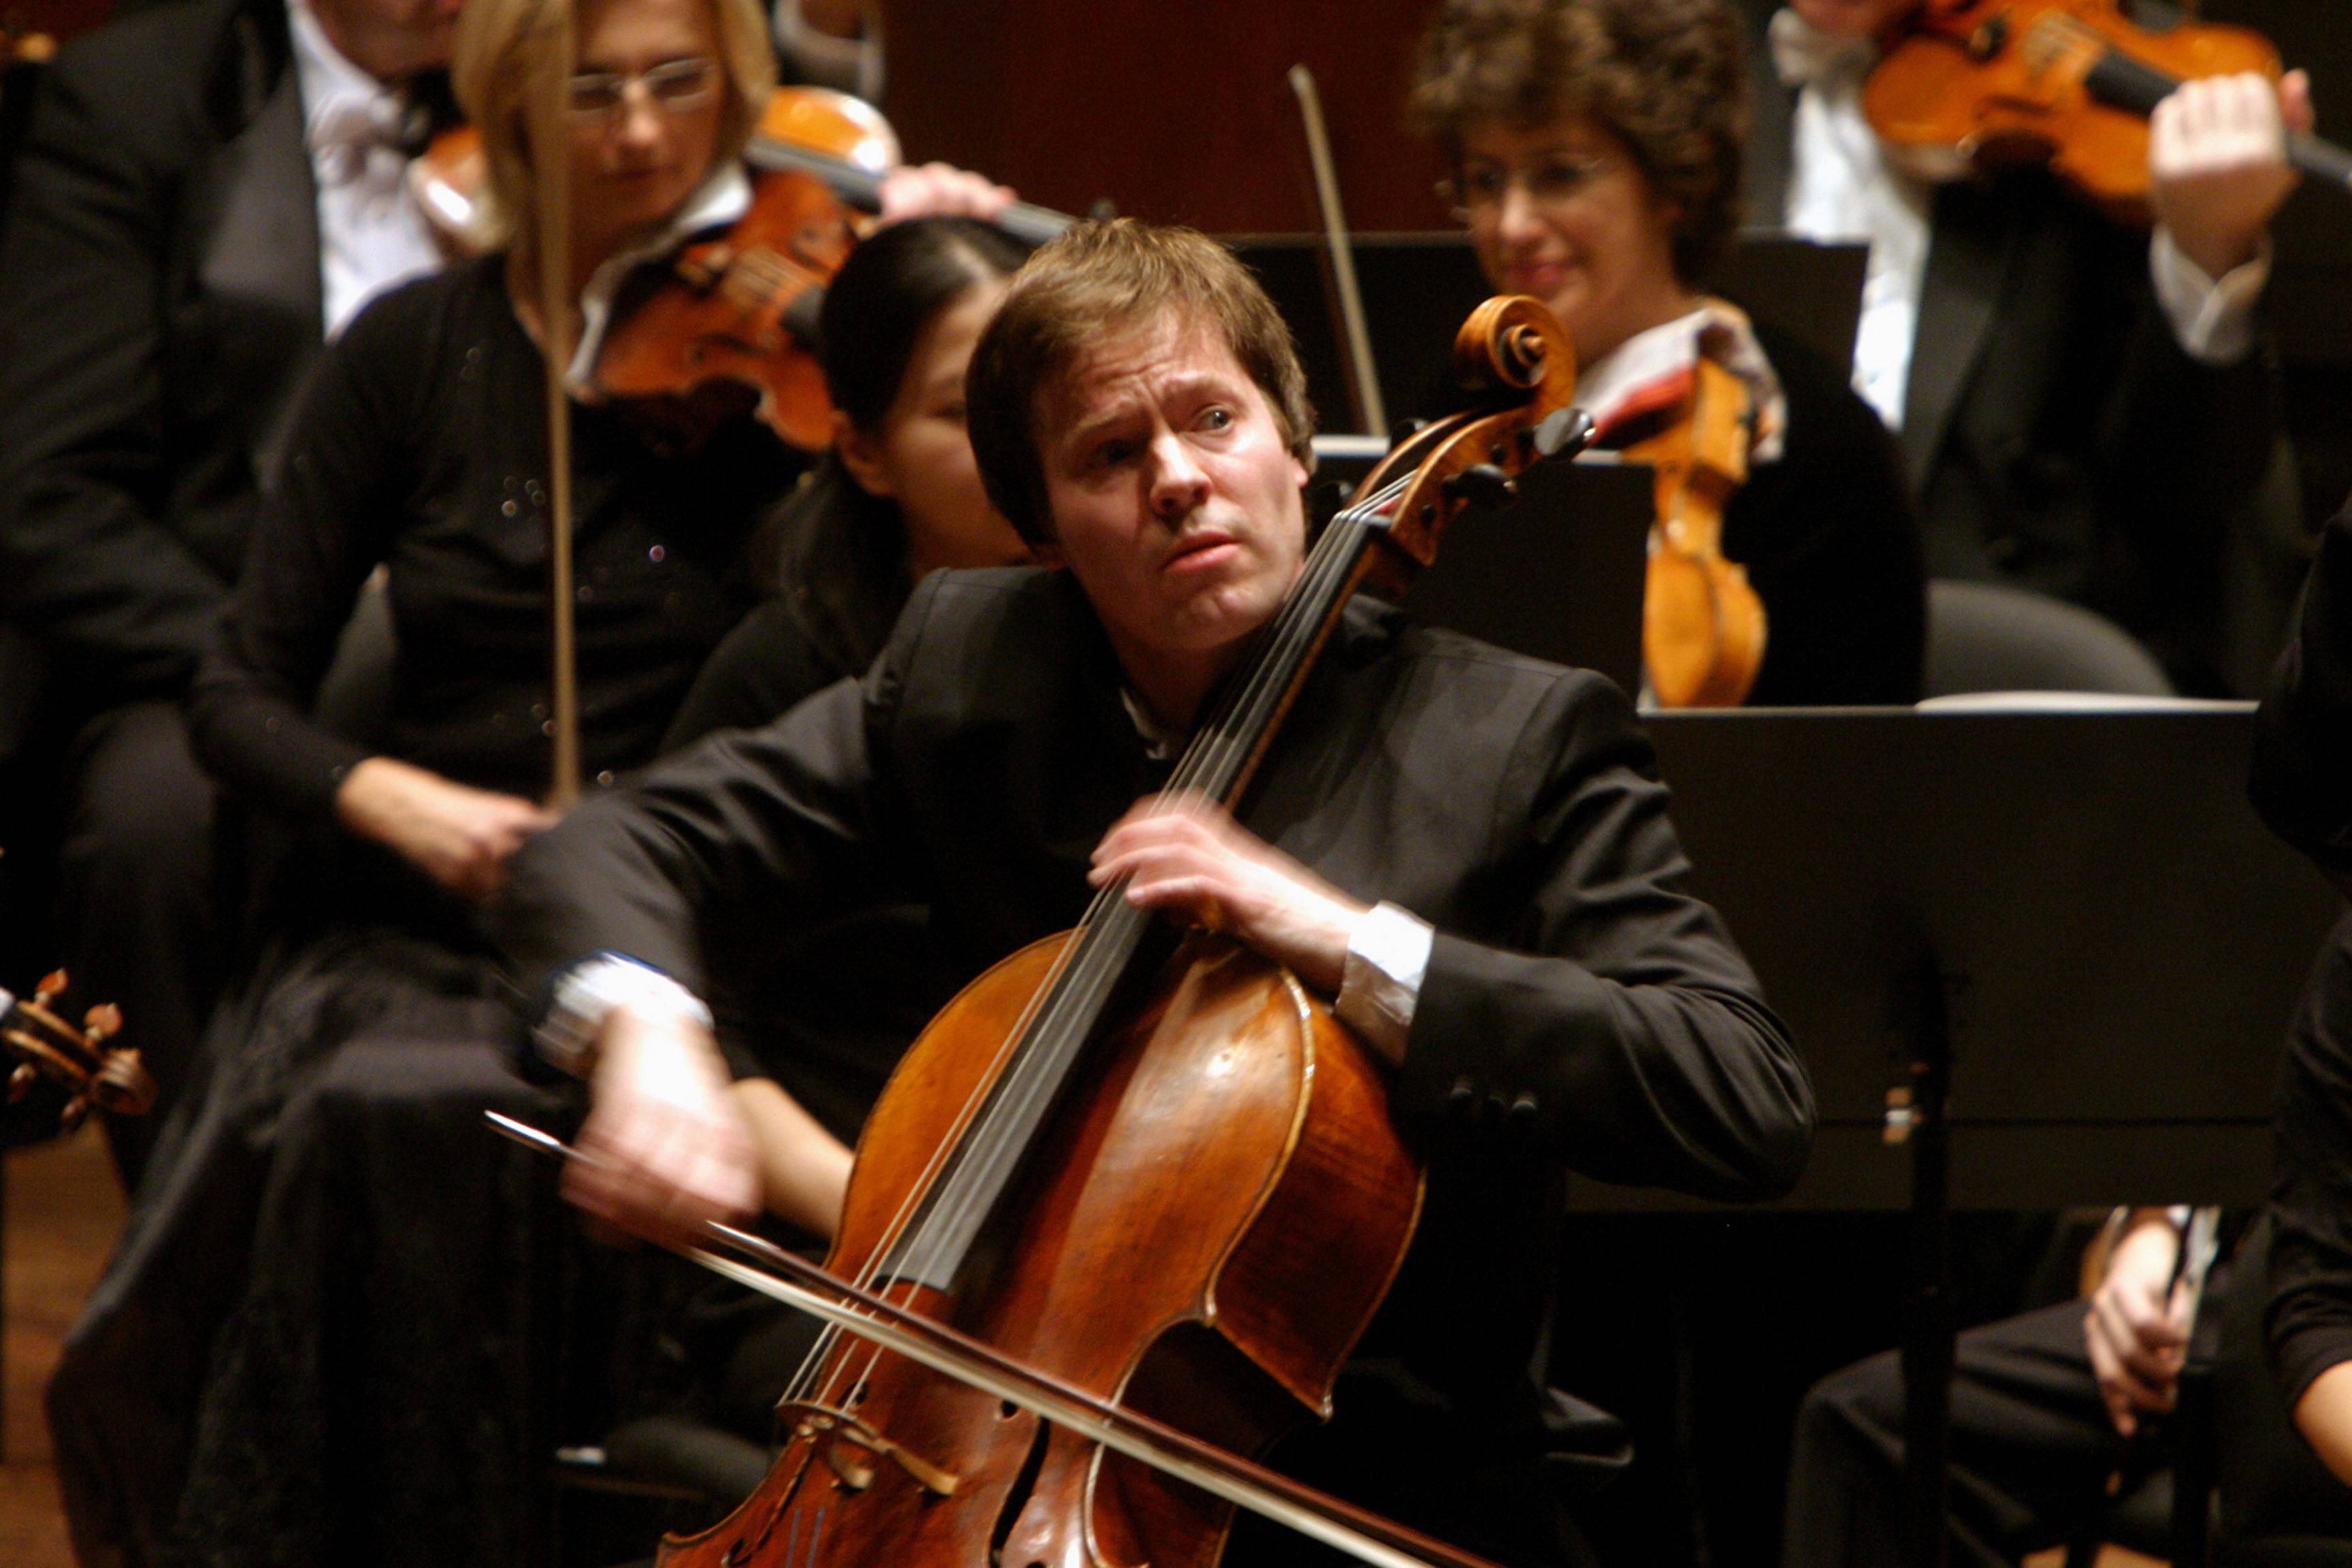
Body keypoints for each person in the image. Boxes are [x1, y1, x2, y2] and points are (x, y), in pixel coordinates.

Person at [493, 215, 1814, 1567]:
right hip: (991, 1454)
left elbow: (1740, 1091)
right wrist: (646, 1032)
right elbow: (615, 844)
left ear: (1294, 450)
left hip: (1376, 1490)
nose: (1178, 478)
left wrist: (1340, 936)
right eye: (1109, 455)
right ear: (1043, 534)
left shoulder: (1512, 740)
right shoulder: (972, 675)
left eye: (1213, 420)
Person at [44, 0, 1015, 1558]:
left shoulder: (787, 348)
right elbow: (236, 691)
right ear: (505, 112)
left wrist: (924, 251)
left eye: (677, 84)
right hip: (431, 923)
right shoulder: (414, 350)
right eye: (588, 92)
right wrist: (397, 801)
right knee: (405, 1107)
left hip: (696, 924)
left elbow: (939, 451)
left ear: (734, 98)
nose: (636, 132)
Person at [0, 0, 463, 1181]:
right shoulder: (138, 97)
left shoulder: (552, 78)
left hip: (494, 626)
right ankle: (208, 1250)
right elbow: (46, 491)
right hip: (214, 632)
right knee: (153, 821)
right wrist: (259, 676)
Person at [1740, 0, 2309, 696]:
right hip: (1724, 631)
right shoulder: (1672, 65)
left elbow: (2186, 503)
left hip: (2009, 680)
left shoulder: (2076, 92)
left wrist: (2207, 249)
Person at [1409, 0, 1926, 708]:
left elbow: (1840, 757)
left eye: (1560, 174)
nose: (1513, 225)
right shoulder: (1458, 410)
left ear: (1676, 176)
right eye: (1487, 181)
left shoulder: (1818, 447)